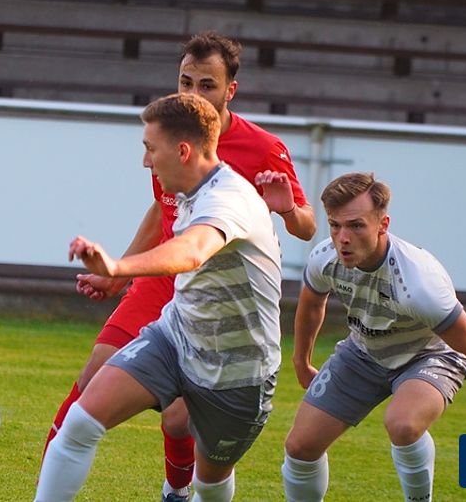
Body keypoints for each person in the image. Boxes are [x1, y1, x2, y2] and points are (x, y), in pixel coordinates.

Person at [43, 31, 316, 502]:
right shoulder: (172, 141)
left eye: (206, 85)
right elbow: (162, 210)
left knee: (180, 423)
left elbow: (197, 248)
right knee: (87, 398)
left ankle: (179, 488)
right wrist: (119, 275)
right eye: (186, 82)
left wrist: (288, 210)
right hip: (167, 291)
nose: (192, 94)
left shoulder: (248, 166)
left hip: (230, 325)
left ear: (230, 90)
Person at [281, 172, 466, 501]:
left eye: (356, 226)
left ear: (383, 224)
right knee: (300, 447)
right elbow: (312, 304)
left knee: (402, 424)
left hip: (429, 356)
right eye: (335, 225)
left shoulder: (418, 284)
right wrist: (301, 360)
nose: (343, 238)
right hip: (362, 352)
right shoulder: (324, 258)